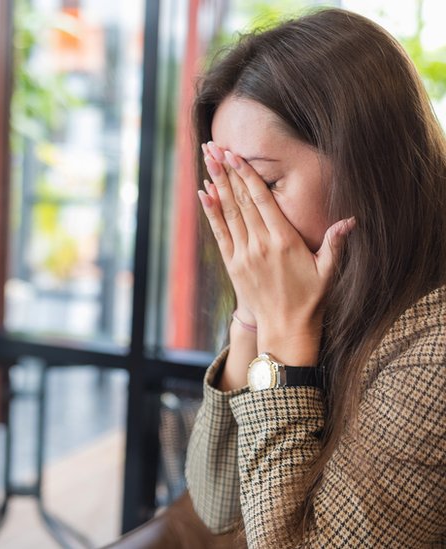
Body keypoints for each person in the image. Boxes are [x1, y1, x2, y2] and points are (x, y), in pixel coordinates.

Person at [185, 8, 446, 547]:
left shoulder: (434, 351)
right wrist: (254, 322)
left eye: (260, 182)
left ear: (368, 161)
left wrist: (283, 341)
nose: (241, 217)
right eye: (227, 187)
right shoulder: (318, 296)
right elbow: (217, 504)